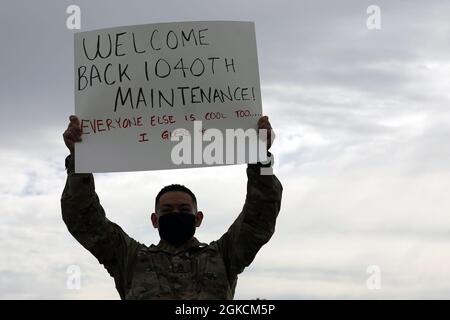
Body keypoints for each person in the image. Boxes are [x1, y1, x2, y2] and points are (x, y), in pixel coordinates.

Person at [61, 115, 283, 299]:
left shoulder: (224, 256)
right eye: (167, 211)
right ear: (154, 220)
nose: (176, 214)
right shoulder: (130, 258)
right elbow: (84, 219)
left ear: (198, 218)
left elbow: (260, 215)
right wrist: (78, 161)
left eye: (184, 210)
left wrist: (261, 159)